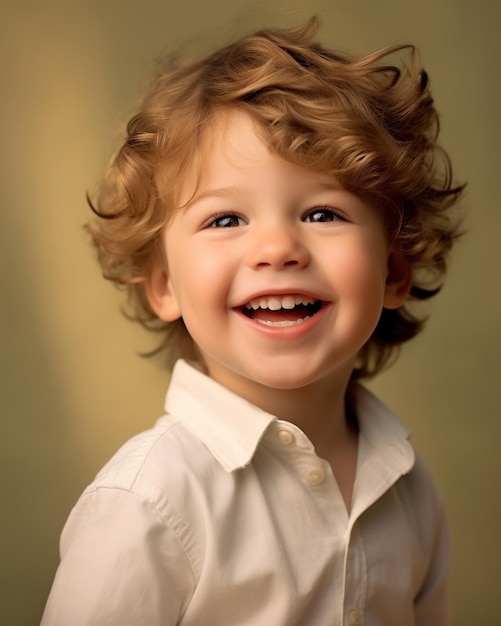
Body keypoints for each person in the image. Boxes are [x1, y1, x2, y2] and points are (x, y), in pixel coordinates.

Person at [41, 17, 464, 625]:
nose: (277, 248)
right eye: (224, 219)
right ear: (164, 285)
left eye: (322, 212)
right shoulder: (149, 502)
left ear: (394, 270)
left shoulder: (406, 485)